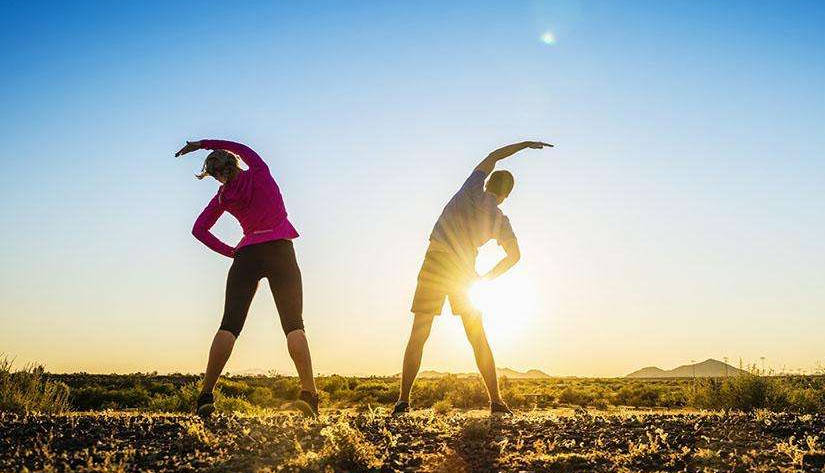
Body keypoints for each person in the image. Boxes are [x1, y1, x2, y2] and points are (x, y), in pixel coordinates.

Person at [394, 140, 553, 415]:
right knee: (477, 336)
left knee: (419, 332)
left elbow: (493, 155)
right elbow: (515, 256)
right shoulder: (500, 219)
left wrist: (524, 145)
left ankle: (403, 402)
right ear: (506, 195)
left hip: (436, 261)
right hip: (464, 271)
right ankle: (496, 402)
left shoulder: (470, 189)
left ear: (488, 182)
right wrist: (487, 278)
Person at [175, 139, 319, 417]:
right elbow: (241, 146)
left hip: (247, 255)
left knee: (228, 326)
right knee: (294, 327)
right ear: (236, 162)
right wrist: (202, 144)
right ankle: (309, 395)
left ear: (217, 174)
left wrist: (232, 251)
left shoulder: (222, 197)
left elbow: (199, 229)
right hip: (280, 251)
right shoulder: (259, 171)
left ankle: (205, 396)